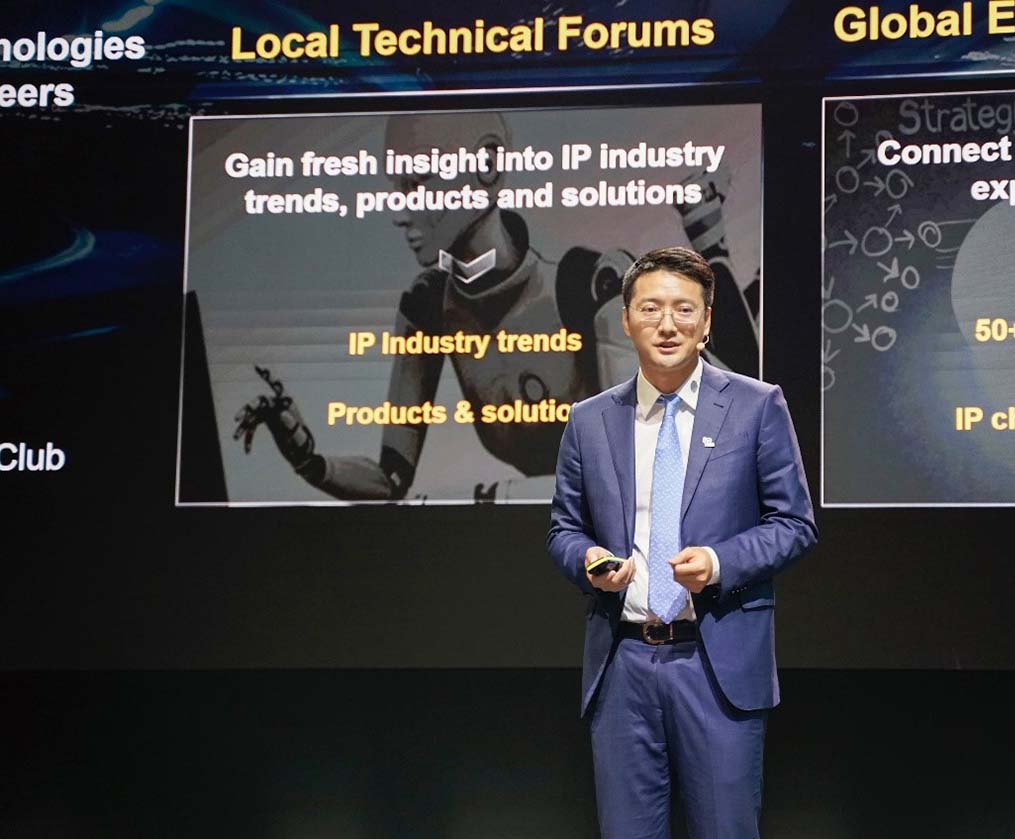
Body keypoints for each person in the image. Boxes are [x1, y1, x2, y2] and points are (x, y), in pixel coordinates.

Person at [234, 112, 760, 502]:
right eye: (398, 187)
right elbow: (390, 480)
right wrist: (305, 455)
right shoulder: (427, 305)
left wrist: (494, 499)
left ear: (487, 165)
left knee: (744, 384)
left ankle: (709, 240)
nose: (401, 208)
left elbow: (631, 472)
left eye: (420, 180)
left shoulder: (588, 283)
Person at [547, 246, 817, 838]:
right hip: (623, 665)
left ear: (707, 320)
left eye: (684, 309)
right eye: (650, 308)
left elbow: (795, 523)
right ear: (626, 319)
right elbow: (564, 529)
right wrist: (589, 560)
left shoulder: (756, 406)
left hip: (715, 663)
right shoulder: (589, 419)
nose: (667, 324)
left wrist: (719, 563)